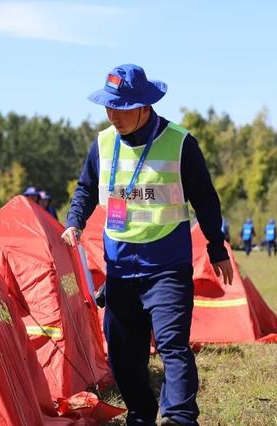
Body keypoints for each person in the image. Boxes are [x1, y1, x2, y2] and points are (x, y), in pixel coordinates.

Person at [61, 64, 233, 426]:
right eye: (109, 107)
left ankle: (180, 417)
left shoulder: (180, 142)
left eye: (122, 108)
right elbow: (85, 189)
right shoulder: (103, 143)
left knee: (172, 346)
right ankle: (141, 413)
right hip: (120, 268)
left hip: (167, 265)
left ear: (144, 106)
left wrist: (217, 248)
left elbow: (205, 199)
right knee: (123, 354)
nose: (113, 115)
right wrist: (75, 221)